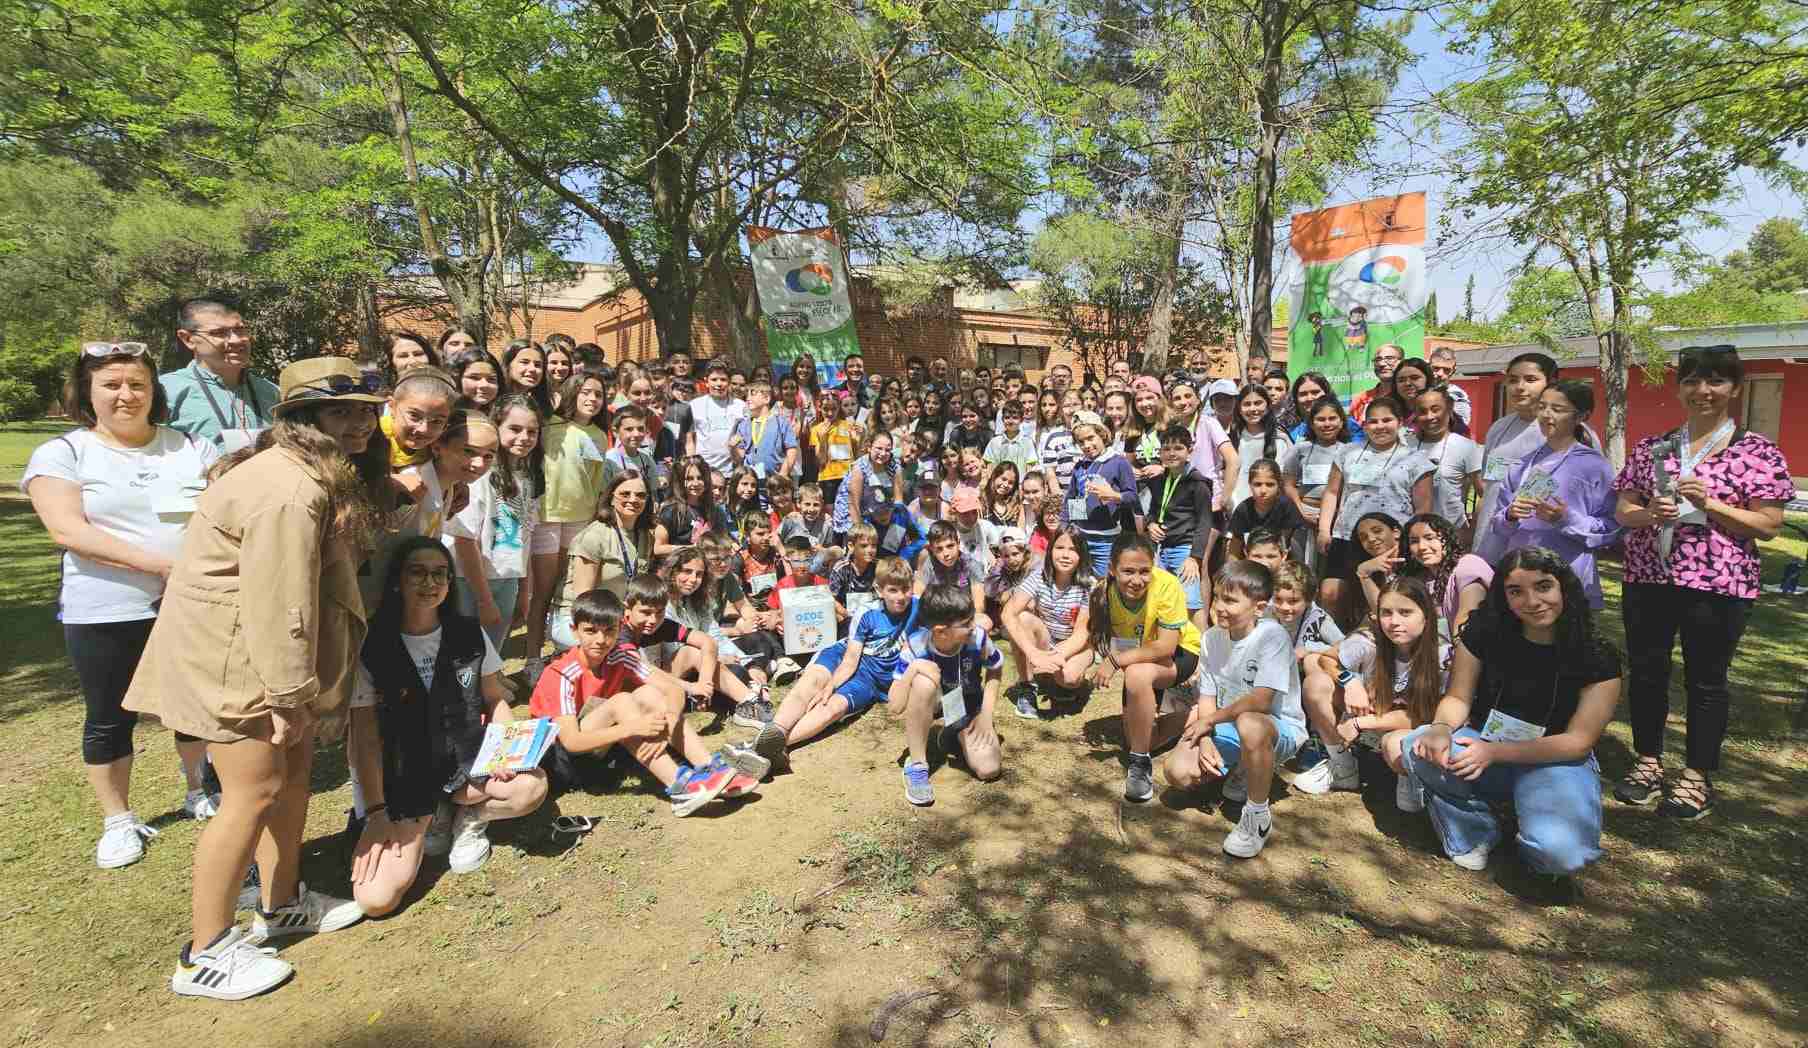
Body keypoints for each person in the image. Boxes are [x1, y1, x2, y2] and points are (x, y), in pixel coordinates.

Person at [125, 356, 390, 1001]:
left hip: (260, 654)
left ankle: (281, 902)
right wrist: (288, 696)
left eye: (364, 410)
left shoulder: (309, 474)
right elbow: (280, 604)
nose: (358, 424)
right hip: (236, 660)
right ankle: (205, 952)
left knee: (291, 779)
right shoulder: (288, 490)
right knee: (252, 792)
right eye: (340, 411)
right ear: (301, 419)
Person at [24, 341, 222, 868]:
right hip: (107, 608)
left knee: (195, 704)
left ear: (154, 391)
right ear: (87, 393)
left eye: (137, 384)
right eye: (111, 385)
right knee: (109, 717)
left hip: (189, 601)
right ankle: (117, 820)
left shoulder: (190, 446)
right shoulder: (63, 453)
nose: (126, 395)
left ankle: (198, 789)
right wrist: (159, 566)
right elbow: (66, 529)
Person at [1612, 345, 1792, 820]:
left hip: (1718, 583)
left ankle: (1696, 777)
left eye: (1715, 381)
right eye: (1692, 381)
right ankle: (1647, 761)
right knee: (1648, 671)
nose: (1702, 391)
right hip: (1650, 575)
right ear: (1679, 388)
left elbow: (1769, 525)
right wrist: (1649, 511)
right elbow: (1623, 510)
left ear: (1734, 388)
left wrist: (1712, 504)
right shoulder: (1655, 447)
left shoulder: (1756, 451)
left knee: (1706, 681)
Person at [346, 539, 548, 913]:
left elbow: (495, 698)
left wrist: (507, 752)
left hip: (464, 765)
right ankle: (432, 819)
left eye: (440, 573)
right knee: (376, 901)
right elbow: (364, 737)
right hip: (406, 779)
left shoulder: (469, 632)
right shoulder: (371, 644)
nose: (430, 582)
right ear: (397, 582)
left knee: (531, 787)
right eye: (417, 572)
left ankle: (469, 817)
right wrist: (374, 812)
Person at [1398, 547, 1621, 886]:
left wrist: (1497, 753)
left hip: (1554, 760)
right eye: (1516, 591)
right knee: (1418, 744)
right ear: (1503, 596)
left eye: (1543, 586)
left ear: (1564, 588)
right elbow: (1458, 697)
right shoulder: (1482, 635)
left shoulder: (1597, 655)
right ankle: (1477, 826)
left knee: (1559, 856)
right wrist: (1442, 728)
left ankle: (1535, 838)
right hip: (1484, 745)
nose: (1532, 601)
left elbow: (1578, 742)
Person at [529, 590, 756, 813]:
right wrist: (631, 728)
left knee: (649, 694)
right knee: (622, 701)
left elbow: (672, 689)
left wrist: (671, 720)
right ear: (574, 631)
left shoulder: (619, 656)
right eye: (590, 631)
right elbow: (571, 741)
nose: (601, 640)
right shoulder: (561, 673)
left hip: (604, 748)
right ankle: (680, 786)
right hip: (564, 763)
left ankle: (708, 767)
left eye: (609, 631)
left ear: (620, 628)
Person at [1160, 560, 1306, 857]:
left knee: (1251, 723)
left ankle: (1256, 817)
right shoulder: (1212, 638)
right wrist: (1205, 739)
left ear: (1259, 607)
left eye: (1230, 600)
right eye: (1216, 597)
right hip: (1228, 724)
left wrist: (1209, 722)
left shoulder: (1272, 636)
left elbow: (1262, 701)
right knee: (1176, 773)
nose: (1219, 607)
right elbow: (1207, 698)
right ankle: (1242, 766)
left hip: (1278, 729)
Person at [752, 556, 918, 767]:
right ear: (879, 590)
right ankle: (776, 731)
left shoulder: (921, 607)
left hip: (871, 681)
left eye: (906, 589)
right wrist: (830, 685)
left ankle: (772, 746)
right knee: (813, 682)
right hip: (844, 655)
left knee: (832, 708)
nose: (901, 597)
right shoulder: (867, 613)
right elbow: (850, 660)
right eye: (893, 590)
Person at [1296, 576, 1450, 802]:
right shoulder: (1370, 638)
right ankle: (1343, 767)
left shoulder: (1442, 654)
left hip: (1406, 727)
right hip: (1373, 708)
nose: (1394, 621)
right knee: (1316, 684)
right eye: (1387, 613)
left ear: (1426, 616)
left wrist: (1360, 723)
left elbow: (1427, 716)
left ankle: (1410, 776)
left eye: (1405, 613)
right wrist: (1351, 682)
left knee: (1396, 746)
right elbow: (1327, 660)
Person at [1088, 534, 1203, 803]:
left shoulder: (1167, 585)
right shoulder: (1104, 593)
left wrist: (1116, 661)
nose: (1137, 580)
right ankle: (1195, 714)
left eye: (1144, 571)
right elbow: (1112, 637)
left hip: (1180, 653)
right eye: (1128, 571)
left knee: (1136, 673)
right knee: (1142, 737)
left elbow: (1165, 647)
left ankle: (1139, 765)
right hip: (1140, 657)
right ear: (1112, 570)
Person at [1492, 381, 1621, 608]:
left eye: (1557, 409)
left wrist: (1566, 519)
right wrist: (1510, 515)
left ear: (1581, 416)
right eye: (1542, 407)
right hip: (1520, 575)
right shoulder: (1522, 464)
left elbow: (1613, 527)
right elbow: (1498, 525)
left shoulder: (1594, 466)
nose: (1546, 415)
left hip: (1567, 576)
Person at [1314, 394, 1432, 619]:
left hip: (1390, 542)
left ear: (1400, 422)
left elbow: (1423, 509)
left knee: (1384, 599)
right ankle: (1337, 643)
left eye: (1386, 420)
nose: (1380, 426)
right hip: (1347, 536)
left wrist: (1408, 541)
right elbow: (1331, 492)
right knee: (1330, 594)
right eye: (1373, 421)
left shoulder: (1416, 459)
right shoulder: (1347, 452)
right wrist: (1323, 529)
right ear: (1365, 425)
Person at [890, 583, 1006, 806]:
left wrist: (986, 715)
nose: (973, 626)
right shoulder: (916, 646)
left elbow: (996, 669)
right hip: (932, 704)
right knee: (924, 682)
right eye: (965, 624)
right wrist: (913, 669)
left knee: (989, 769)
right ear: (941, 631)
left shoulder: (977, 638)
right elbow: (894, 707)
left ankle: (953, 734)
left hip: (967, 705)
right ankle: (917, 766)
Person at [446, 395, 541, 651]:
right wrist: (484, 599)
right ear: (496, 426)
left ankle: (489, 682)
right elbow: (465, 540)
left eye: (532, 431)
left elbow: (525, 538)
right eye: (515, 428)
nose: (524, 437)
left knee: (492, 651)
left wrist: (524, 590)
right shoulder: (478, 475)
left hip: (507, 578)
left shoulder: (525, 478)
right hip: (471, 581)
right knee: (466, 654)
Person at [1473, 352, 1574, 562]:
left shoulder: (1570, 431)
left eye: (1530, 380)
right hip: (1489, 549)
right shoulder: (1499, 429)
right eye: (1512, 380)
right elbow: (1490, 488)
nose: (1519, 387)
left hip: (1538, 555)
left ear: (1551, 383)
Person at [548, 466, 654, 648]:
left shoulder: (646, 536)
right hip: (578, 618)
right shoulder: (595, 536)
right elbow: (584, 597)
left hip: (617, 618)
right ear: (611, 498)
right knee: (622, 657)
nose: (633, 500)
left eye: (640, 495)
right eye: (625, 494)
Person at [1000, 525, 1094, 717]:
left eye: (1073, 549)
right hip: (1047, 639)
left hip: (1078, 646)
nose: (1066, 555)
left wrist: (1053, 656)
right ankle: (1027, 686)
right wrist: (1032, 652)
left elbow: (1081, 634)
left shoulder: (1089, 586)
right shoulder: (1039, 577)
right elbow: (1007, 614)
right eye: (1060, 548)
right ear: (1050, 551)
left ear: (1082, 554)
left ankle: (1074, 685)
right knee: (1023, 618)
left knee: (1067, 677)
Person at [162, 298, 281, 447]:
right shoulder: (165, 393)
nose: (236, 340)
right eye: (219, 333)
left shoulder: (273, 393)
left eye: (240, 330)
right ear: (188, 339)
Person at [1143, 422, 1214, 627]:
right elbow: (1152, 512)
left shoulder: (1198, 485)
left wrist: (1195, 557)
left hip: (1185, 550)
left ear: (1189, 451)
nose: (1171, 453)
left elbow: (1204, 523)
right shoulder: (1157, 481)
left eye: (1178, 448)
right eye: (1166, 448)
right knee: (1162, 600)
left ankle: (1203, 652)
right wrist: (1150, 524)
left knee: (1191, 603)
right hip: (1161, 549)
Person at [1066, 412, 1139, 575]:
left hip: (1106, 540)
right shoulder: (1080, 466)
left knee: (1105, 582)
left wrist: (1114, 495)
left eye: (1091, 438)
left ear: (1102, 435)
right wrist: (1066, 529)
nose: (1086, 445)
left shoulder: (1118, 462)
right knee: (1082, 582)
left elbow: (1133, 497)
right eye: (1081, 442)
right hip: (1081, 537)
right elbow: (1072, 498)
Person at [1398, 513, 1491, 640]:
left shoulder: (1468, 565)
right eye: (1414, 541)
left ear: (1447, 539)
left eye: (1429, 538)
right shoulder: (1421, 580)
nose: (1422, 547)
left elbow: (1469, 616)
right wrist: (1364, 575)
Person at [1406, 386, 1483, 537]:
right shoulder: (1404, 445)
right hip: (1411, 534)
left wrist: (1473, 532)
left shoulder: (1466, 447)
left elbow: (1484, 493)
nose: (1429, 416)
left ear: (1449, 409)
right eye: (1422, 411)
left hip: (1451, 534)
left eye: (1435, 409)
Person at [1227, 458, 1308, 564]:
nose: (1263, 490)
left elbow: (1286, 542)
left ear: (1279, 484)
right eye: (1257, 484)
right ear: (1250, 484)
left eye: (1270, 484)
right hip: (1252, 559)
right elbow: (1235, 548)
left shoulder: (1286, 506)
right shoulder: (1243, 509)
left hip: (1281, 558)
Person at [379, 367, 457, 472]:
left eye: (437, 421)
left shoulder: (441, 443)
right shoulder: (374, 436)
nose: (423, 429)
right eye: (414, 416)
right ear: (392, 407)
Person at [1227, 386, 1293, 509]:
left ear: (1267, 406)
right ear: (1239, 409)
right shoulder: (1232, 439)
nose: (1253, 409)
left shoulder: (1278, 440)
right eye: (1247, 404)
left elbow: (1285, 478)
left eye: (1258, 403)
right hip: (1236, 508)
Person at [833, 430, 901, 539]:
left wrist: (898, 528)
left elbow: (898, 500)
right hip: (853, 515)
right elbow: (853, 504)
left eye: (887, 450)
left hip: (880, 511)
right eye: (879, 448)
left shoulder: (894, 464)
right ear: (869, 447)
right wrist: (861, 533)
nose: (883, 453)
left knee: (898, 529)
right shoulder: (859, 468)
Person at [729, 377, 798, 482]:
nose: (747, 399)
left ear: (766, 399)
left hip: (774, 481)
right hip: (751, 483)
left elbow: (791, 450)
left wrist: (783, 474)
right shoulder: (744, 424)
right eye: (747, 395)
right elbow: (740, 457)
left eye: (752, 394)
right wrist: (733, 449)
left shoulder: (781, 422)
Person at [686, 362, 748, 473]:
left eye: (723, 380)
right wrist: (692, 466)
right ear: (706, 382)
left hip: (732, 470)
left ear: (728, 382)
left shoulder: (741, 406)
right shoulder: (694, 405)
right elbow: (690, 441)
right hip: (703, 470)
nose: (719, 384)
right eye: (714, 380)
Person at [808, 389, 860, 503]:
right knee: (830, 512)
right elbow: (820, 462)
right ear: (819, 408)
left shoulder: (848, 425)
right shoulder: (816, 429)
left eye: (834, 409)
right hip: (828, 478)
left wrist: (857, 440)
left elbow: (856, 456)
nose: (830, 413)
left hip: (848, 476)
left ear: (839, 408)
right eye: (826, 409)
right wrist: (823, 439)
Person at [1347, 342, 1403, 423]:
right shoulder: (1360, 400)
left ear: (1402, 362)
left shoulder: (1408, 397)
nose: (1382, 364)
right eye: (1378, 360)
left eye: (1389, 358)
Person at [501, 340, 552, 416]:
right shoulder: (493, 403)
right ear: (508, 365)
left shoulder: (541, 407)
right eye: (524, 362)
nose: (532, 369)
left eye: (537, 365)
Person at [1427, 347, 1473, 427]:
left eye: (1446, 370)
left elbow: (1461, 427)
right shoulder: (1418, 389)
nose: (1440, 373)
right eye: (1436, 368)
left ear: (1453, 371)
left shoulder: (1457, 396)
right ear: (1428, 367)